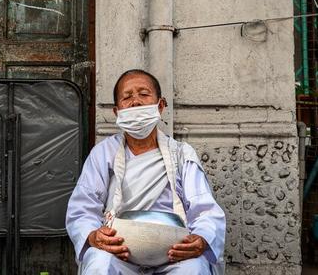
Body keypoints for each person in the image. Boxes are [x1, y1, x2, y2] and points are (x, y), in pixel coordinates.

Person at [66, 69, 226, 274]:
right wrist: (92, 235)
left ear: (160, 106)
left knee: (194, 268)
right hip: (119, 251)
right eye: (127, 97)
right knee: (99, 263)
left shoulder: (182, 154)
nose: (136, 102)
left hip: (173, 252)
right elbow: (82, 207)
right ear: (117, 112)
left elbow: (205, 209)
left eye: (143, 94)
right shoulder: (103, 154)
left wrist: (202, 239)